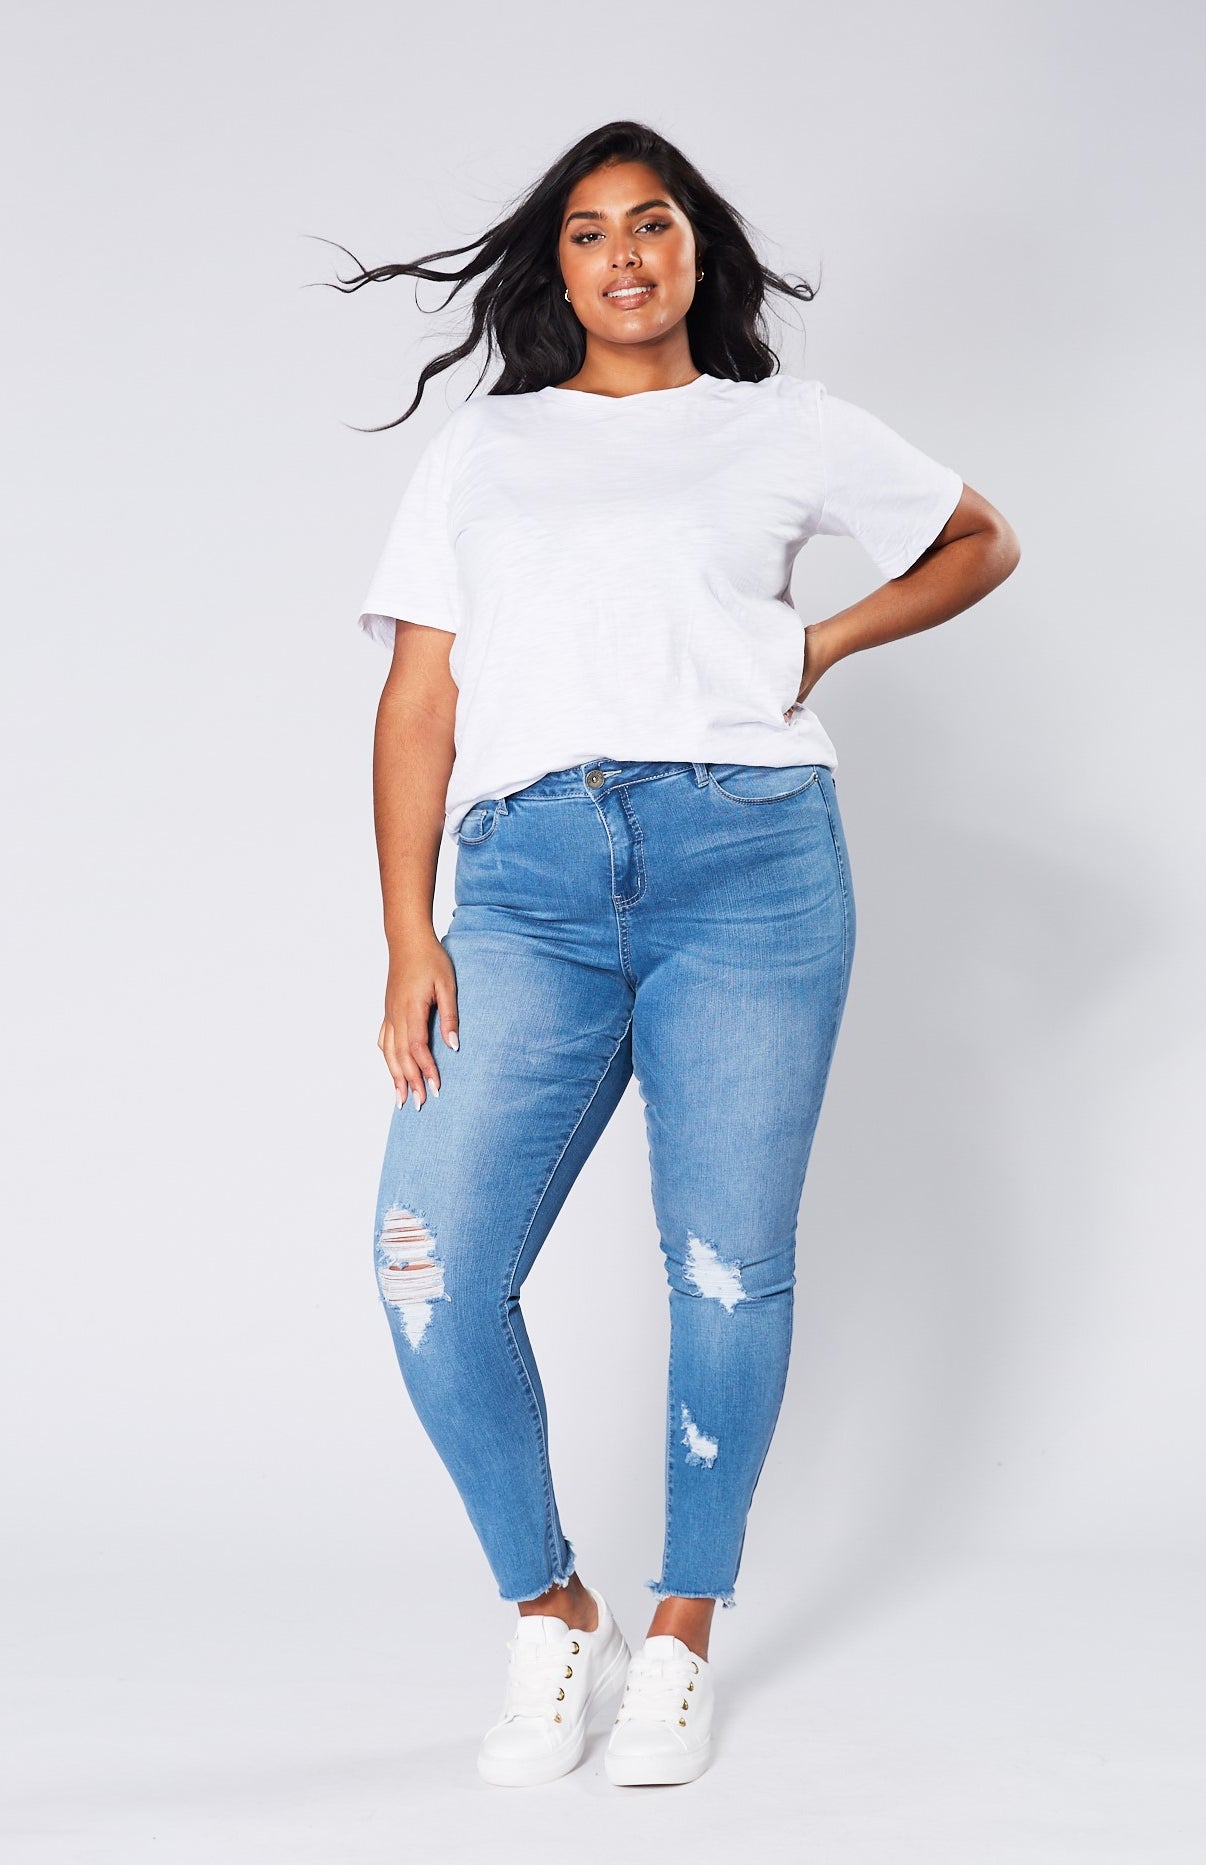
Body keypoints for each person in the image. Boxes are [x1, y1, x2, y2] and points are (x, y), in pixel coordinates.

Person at [338, 120, 1019, 1789]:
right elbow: (419, 701)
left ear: (695, 249)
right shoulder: (485, 449)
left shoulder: (784, 425)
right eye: (587, 233)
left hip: (752, 867)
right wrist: (408, 931)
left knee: (724, 1263)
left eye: (650, 224)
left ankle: (684, 1629)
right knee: (428, 1261)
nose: (623, 255)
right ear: (558, 270)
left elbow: (977, 539)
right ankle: (551, 1605)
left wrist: (817, 641)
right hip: (525, 888)